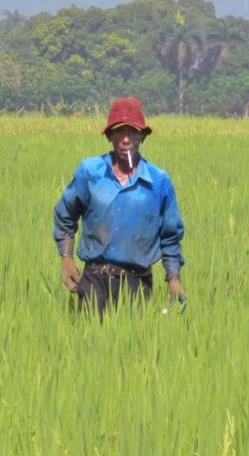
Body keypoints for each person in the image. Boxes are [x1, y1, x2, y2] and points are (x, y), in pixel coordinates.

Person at [53, 97, 186, 316]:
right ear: (109, 136)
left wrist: (174, 279)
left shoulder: (158, 181)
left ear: (142, 136)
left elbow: (170, 236)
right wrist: (66, 259)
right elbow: (65, 214)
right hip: (95, 279)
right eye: (119, 132)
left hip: (138, 282)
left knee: (132, 336)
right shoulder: (90, 172)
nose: (126, 139)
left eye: (132, 132)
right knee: (90, 335)